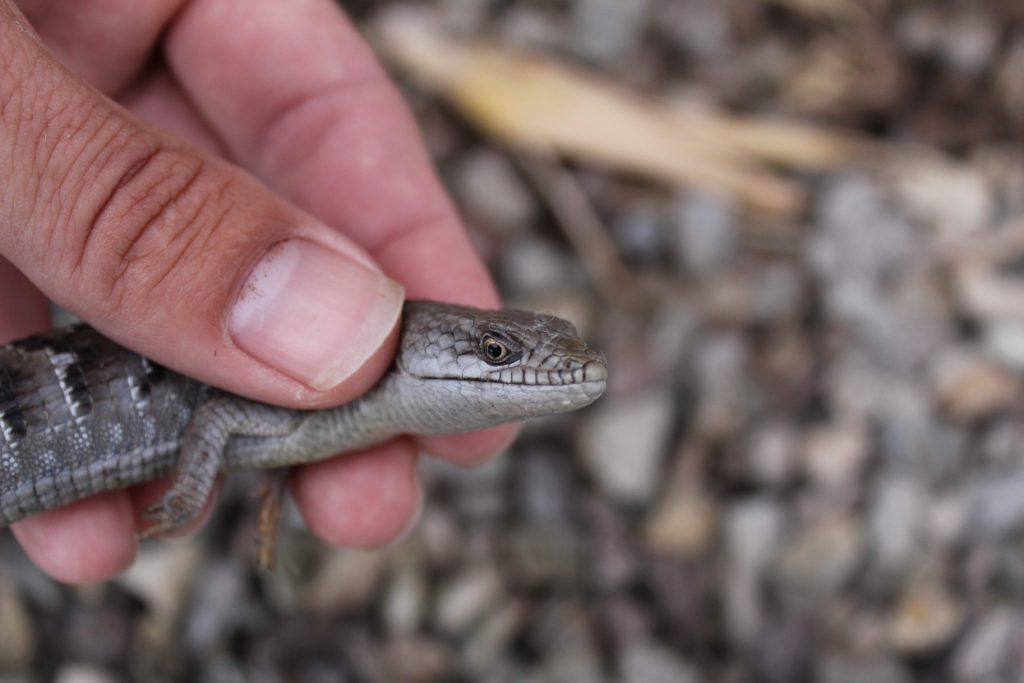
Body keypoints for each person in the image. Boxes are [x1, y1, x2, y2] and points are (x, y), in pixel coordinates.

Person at [0, 0, 516, 583]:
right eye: (496, 351)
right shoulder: (324, 369)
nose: (505, 363)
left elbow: (235, 420)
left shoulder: (328, 404)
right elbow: (217, 417)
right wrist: (189, 491)